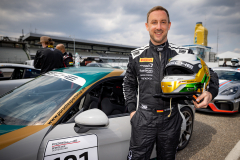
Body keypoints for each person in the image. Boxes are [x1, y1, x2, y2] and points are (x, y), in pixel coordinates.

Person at [123, 6, 219, 160]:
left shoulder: (182, 53)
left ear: (169, 25)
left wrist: (210, 92)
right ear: (147, 26)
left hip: (171, 119)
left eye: (163, 22)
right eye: (154, 22)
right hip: (143, 118)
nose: (159, 27)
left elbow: (210, 74)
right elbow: (128, 84)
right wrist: (132, 111)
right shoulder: (136, 55)